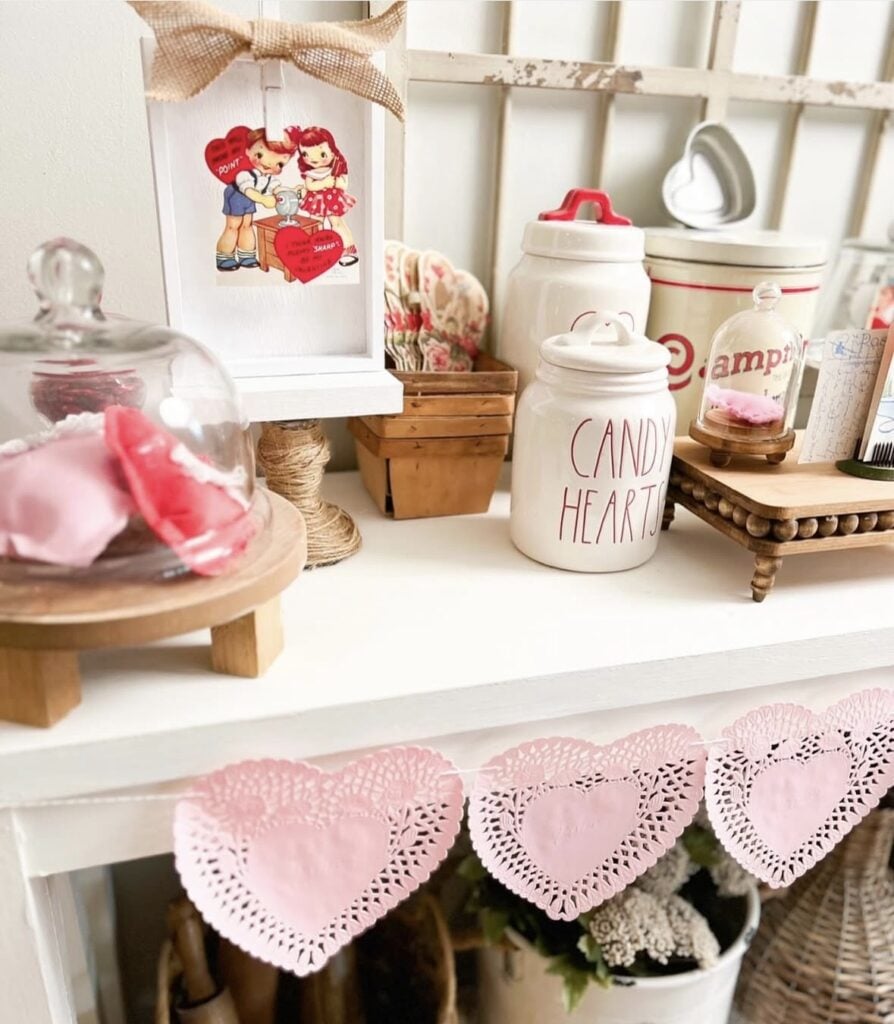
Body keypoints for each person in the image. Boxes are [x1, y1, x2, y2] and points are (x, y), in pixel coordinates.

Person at [216, 130, 297, 272]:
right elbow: (248, 190)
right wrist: (263, 199)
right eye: (260, 155)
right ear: (248, 151)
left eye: (279, 164)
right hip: (236, 196)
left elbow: (275, 187)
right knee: (233, 226)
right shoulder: (244, 174)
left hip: (250, 199)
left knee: (247, 225)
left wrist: (292, 192)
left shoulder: (268, 177)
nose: (269, 164)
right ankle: (225, 257)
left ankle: (246, 255)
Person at [288, 125, 359, 267]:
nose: (313, 159)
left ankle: (347, 250)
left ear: (332, 153)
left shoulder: (336, 167)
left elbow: (344, 184)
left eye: (321, 154)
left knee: (337, 223)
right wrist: (324, 183)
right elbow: (310, 186)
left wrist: (337, 182)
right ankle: (319, 250)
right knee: (316, 224)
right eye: (306, 154)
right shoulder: (311, 173)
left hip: (332, 200)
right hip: (317, 201)